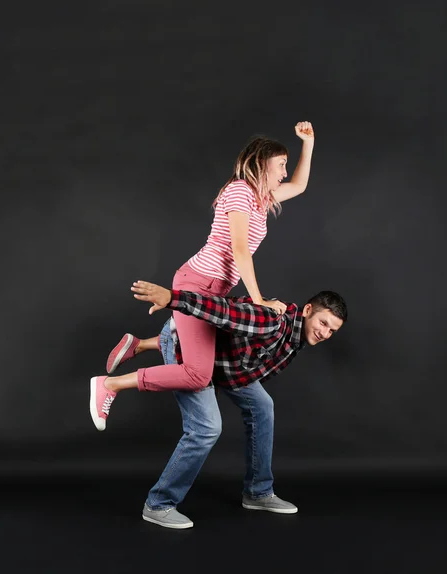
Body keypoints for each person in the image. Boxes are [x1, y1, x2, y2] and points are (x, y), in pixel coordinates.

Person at [90, 122, 315, 428]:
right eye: (281, 165)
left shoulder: (262, 198)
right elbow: (239, 250)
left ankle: (138, 344)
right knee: (198, 373)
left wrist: (308, 143)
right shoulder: (240, 192)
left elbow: (300, 186)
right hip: (197, 283)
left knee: (217, 341)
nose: (284, 173)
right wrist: (259, 300)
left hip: (214, 289)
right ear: (263, 163)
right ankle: (109, 385)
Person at [91, 279, 347, 529]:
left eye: (332, 330)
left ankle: (258, 493)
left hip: (224, 366)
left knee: (262, 407)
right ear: (308, 310)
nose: (324, 333)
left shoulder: (296, 336)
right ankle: (158, 504)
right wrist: (172, 298)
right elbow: (223, 311)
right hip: (186, 350)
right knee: (207, 428)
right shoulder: (272, 320)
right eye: (323, 323)